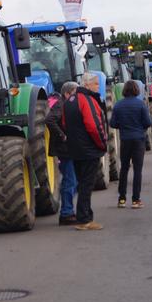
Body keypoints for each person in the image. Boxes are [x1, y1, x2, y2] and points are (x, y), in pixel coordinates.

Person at [62, 72, 107, 230]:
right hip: (89, 150)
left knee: (82, 184)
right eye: (96, 84)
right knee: (87, 185)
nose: (98, 87)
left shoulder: (69, 101)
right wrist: (102, 144)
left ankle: (84, 216)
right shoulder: (87, 100)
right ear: (87, 85)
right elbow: (94, 125)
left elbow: (64, 124)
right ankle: (85, 220)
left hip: (75, 150)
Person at [110, 80, 152, 208]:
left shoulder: (118, 105)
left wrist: (122, 126)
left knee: (124, 168)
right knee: (137, 170)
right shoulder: (141, 105)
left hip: (125, 139)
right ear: (136, 90)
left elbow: (113, 124)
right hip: (139, 139)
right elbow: (148, 122)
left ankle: (122, 199)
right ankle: (136, 200)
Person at [46, 82, 80, 226]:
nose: (77, 96)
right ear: (67, 93)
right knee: (70, 181)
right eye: (75, 93)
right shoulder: (61, 105)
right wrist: (63, 136)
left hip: (69, 149)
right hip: (65, 150)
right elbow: (49, 120)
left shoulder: (64, 104)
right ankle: (66, 213)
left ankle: (68, 209)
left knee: (74, 181)